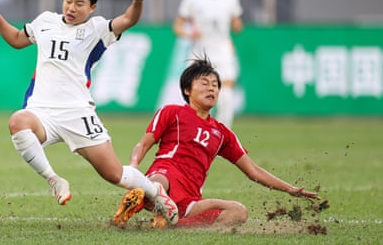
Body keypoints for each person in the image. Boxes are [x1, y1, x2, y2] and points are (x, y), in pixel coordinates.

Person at [0, 0, 178, 225]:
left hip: (78, 113)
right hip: (42, 112)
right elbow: (17, 40)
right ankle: (54, 180)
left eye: (80, 3)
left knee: (114, 174)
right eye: (68, 0)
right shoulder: (45, 21)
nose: (72, 7)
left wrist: (137, 2)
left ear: (92, 7)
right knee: (18, 121)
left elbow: (128, 19)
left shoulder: (97, 29)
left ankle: (156, 193)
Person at [113, 58, 320, 229]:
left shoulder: (222, 133)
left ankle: (171, 221)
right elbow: (143, 144)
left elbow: (253, 170)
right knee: (159, 182)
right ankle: (139, 201)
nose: (211, 89)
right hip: (165, 175)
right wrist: (133, 167)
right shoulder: (173, 112)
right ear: (187, 90)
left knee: (238, 212)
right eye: (204, 83)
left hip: (190, 198)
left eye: (215, 85)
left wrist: (290, 189)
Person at [173, 0, 244, 128]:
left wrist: (236, 24)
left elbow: (237, 26)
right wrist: (191, 33)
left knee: (226, 95)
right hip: (200, 53)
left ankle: (221, 135)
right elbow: (178, 26)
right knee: (199, 96)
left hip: (223, 51)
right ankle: (196, 132)